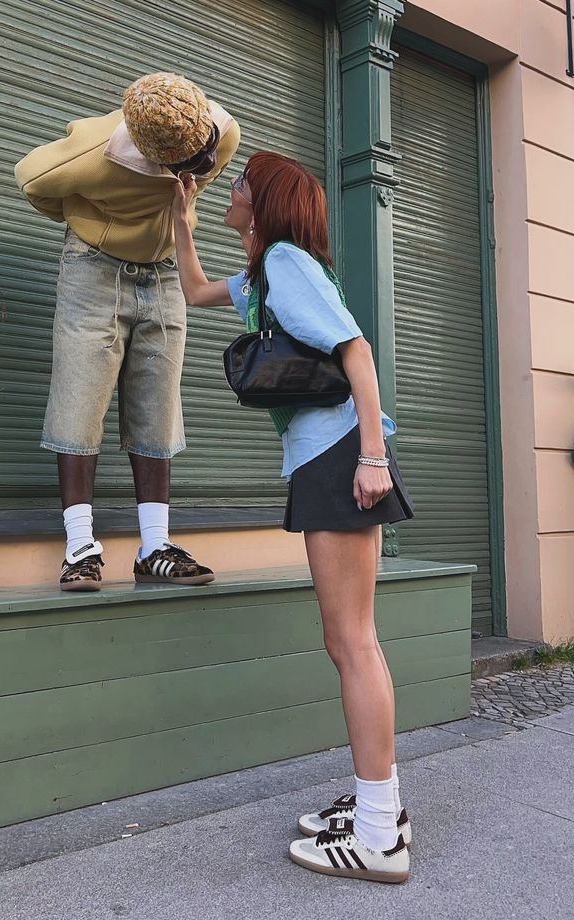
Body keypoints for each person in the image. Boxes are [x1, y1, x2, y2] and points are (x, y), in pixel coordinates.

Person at [171, 151, 415, 884]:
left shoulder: (287, 261)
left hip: (344, 456)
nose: (234, 186)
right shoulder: (262, 276)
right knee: (346, 641)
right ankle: (382, 806)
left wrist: (372, 456)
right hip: (327, 458)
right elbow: (190, 289)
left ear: (267, 200)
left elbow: (357, 351)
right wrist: (181, 221)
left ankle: (378, 835)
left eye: (242, 180)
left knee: (353, 642)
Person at [14, 73, 240, 591]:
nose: (206, 169)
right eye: (191, 164)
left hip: (164, 271)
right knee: (80, 396)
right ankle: (80, 547)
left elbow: (208, 150)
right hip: (93, 269)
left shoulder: (222, 133)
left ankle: (154, 546)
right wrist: (87, 213)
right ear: (153, 153)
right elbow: (30, 179)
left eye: (207, 154)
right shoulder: (95, 151)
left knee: (158, 403)